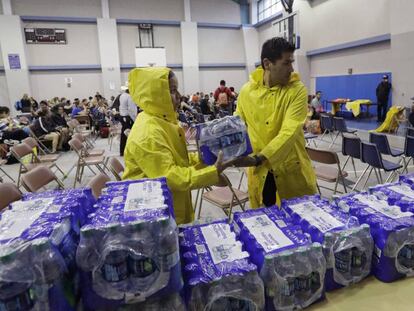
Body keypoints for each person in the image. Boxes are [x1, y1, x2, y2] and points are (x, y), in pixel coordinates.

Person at [123, 67, 233, 224]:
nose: (180, 96)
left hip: (173, 203)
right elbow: (170, 177)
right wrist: (212, 173)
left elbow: (178, 159)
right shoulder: (148, 133)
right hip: (155, 215)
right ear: (156, 95)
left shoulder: (162, 120)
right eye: (173, 90)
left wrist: (206, 156)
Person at [232, 37, 317, 208]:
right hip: (260, 174)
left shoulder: (296, 90)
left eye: (292, 62)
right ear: (267, 63)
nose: (291, 69)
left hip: (290, 173)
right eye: (286, 63)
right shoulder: (247, 91)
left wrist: (258, 159)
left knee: (298, 223)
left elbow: (290, 131)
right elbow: (237, 125)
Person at [119, 88, 138, 156]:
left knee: (123, 134)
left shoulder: (122, 95)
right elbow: (132, 110)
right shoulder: (129, 97)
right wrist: (135, 119)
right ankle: (129, 151)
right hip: (127, 118)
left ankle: (122, 150)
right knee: (129, 134)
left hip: (122, 116)